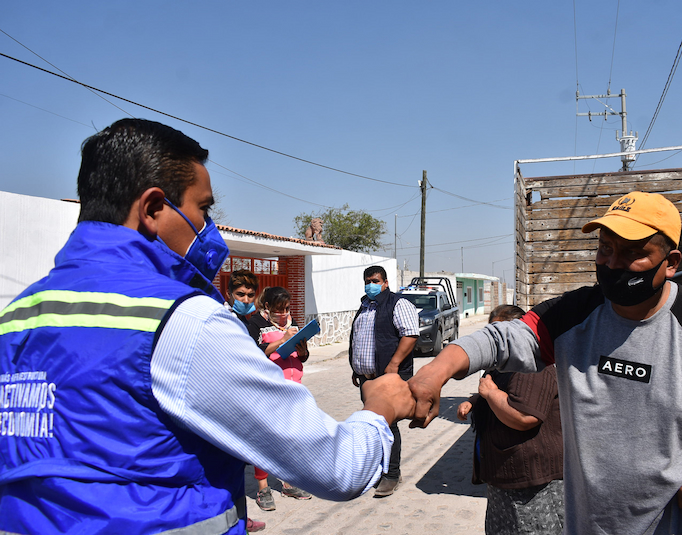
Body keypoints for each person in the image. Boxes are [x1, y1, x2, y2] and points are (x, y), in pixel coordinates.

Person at [0, 119, 415, 535]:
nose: (209, 229)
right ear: (153, 208)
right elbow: (337, 469)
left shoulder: (15, 318)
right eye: (203, 209)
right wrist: (379, 411)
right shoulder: (183, 320)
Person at [408, 191, 682, 535]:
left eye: (634, 252)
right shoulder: (574, 315)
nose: (613, 264)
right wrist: (434, 372)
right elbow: (501, 338)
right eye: (605, 249)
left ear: (671, 261)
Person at [457, 305, 563, 535]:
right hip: (505, 475)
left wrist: (489, 394)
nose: (493, 338)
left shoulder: (533, 365)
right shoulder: (501, 362)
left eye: (499, 331)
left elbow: (525, 416)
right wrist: (476, 401)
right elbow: (498, 389)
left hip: (532, 482)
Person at [349, 265, 419, 497]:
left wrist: (394, 364)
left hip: (388, 377)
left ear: (385, 283)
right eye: (367, 280)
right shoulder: (365, 307)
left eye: (375, 280)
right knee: (372, 425)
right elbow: (360, 339)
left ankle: (391, 474)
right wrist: (356, 367)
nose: (371, 284)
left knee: (387, 425)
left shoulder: (398, 303)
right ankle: (377, 471)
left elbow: (410, 334)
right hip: (367, 378)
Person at [247, 286, 312, 508]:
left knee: (290, 438)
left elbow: (301, 357)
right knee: (265, 440)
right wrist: (282, 339)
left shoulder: (292, 325)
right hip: (269, 391)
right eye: (279, 309)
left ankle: (287, 482)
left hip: (293, 390)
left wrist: (302, 349)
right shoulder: (256, 323)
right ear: (267, 307)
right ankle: (263, 488)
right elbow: (254, 352)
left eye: (286, 308)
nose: (284, 313)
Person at [223, 269, 266, 530]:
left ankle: (241, 518)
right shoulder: (224, 320)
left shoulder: (247, 321)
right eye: (240, 294)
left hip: (243, 402)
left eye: (251, 294)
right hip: (228, 403)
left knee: (237, 467)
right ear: (229, 294)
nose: (246, 298)